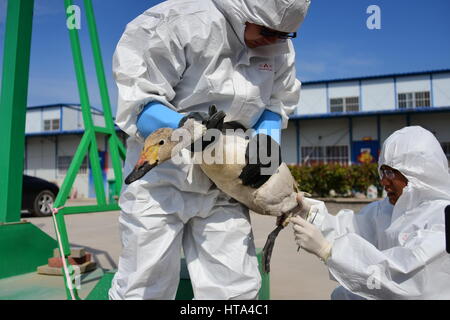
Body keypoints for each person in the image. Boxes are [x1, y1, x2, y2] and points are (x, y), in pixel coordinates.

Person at [109, 0, 311, 300]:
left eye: (284, 35)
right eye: (267, 31)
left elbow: (277, 101)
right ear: (241, 12)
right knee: (144, 284)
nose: (273, 41)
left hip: (227, 185)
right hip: (163, 180)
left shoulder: (277, 44)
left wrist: (268, 140)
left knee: (234, 288)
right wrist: (190, 130)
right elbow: (139, 104)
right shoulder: (173, 22)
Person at [292, 126, 450, 299]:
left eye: (390, 172)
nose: (383, 181)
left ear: (418, 173)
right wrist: (311, 212)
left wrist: (328, 251)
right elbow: (351, 229)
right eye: (382, 172)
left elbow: (402, 277)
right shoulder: (387, 210)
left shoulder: (442, 217)